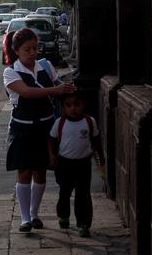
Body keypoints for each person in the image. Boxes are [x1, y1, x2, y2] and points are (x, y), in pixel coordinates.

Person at [3, 28, 77, 232]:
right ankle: (25, 217)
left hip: (45, 126)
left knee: (41, 172)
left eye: (35, 48)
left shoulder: (45, 66)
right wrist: (55, 90)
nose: (32, 52)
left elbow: (59, 85)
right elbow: (27, 93)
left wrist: (68, 89)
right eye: (27, 49)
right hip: (23, 129)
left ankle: (34, 213)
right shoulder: (11, 71)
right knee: (24, 171)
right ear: (17, 50)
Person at [48, 90, 104, 238]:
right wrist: (52, 155)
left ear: (83, 105)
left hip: (83, 164)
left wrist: (100, 155)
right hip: (64, 164)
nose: (73, 108)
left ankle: (83, 224)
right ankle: (63, 216)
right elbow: (52, 140)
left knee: (83, 194)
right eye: (68, 105)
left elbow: (96, 140)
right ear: (63, 107)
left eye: (76, 104)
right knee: (64, 193)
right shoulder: (59, 123)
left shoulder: (89, 121)